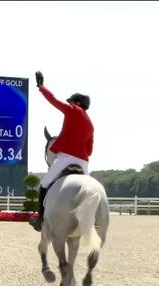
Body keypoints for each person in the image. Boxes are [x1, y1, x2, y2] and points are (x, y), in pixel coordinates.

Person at [29, 71, 94, 232]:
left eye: (72, 101)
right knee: (90, 191)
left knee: (44, 185)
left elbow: (53, 100)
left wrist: (41, 86)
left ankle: (40, 220)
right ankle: (91, 221)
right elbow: (90, 150)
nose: (70, 103)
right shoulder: (91, 125)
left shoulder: (73, 110)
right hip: (83, 162)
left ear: (77, 102)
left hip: (65, 157)